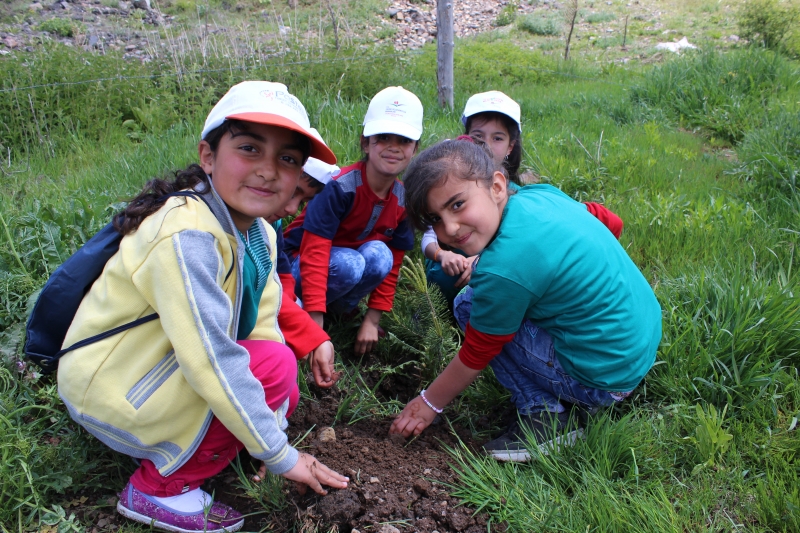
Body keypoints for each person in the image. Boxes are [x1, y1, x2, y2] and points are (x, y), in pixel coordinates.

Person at [57, 81, 349, 533]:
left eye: (288, 159)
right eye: (250, 148)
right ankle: (155, 488)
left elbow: (265, 327)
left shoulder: (260, 234)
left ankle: (205, 444)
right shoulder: (187, 236)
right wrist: (280, 454)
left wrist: (268, 431)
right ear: (208, 156)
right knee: (268, 369)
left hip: (153, 368)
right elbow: (211, 359)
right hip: (109, 386)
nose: (269, 171)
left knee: (280, 377)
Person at [390, 139, 662, 462]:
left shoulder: (503, 269)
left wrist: (429, 403)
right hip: (640, 341)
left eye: (458, 204)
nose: (449, 227)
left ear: (497, 186)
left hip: (605, 379)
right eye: (434, 219)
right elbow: (608, 220)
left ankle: (548, 417)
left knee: (467, 305)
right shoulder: (540, 196)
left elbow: (478, 351)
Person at [422, 91, 624, 305]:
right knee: (444, 276)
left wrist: (484, 261)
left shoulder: (522, 196)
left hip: (501, 271)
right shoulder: (447, 180)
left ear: (510, 146)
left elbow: (605, 221)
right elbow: (429, 233)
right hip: (456, 263)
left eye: (497, 138)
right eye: (478, 137)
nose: (486, 145)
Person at [283, 86, 421, 356]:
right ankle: (311, 314)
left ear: (415, 149)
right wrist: (314, 327)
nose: (393, 147)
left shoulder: (404, 200)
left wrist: (373, 319)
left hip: (339, 270)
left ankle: (341, 311)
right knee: (351, 264)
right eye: (383, 137)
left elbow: (393, 264)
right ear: (365, 143)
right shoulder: (341, 188)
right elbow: (314, 254)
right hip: (297, 266)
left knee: (380, 255)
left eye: (404, 140)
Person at [266, 129, 342, 383]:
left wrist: (312, 335)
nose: (290, 209)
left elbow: (282, 275)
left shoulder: (271, 226)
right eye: (293, 191)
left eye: (302, 201)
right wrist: (312, 335)